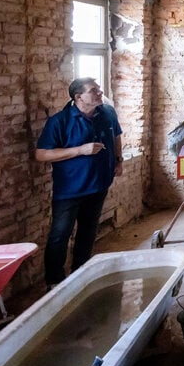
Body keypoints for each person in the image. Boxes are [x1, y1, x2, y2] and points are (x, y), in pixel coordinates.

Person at [35, 77, 123, 287]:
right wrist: (79, 150)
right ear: (78, 97)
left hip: (99, 184)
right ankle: (54, 282)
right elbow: (41, 154)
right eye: (94, 90)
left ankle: (81, 273)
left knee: (88, 230)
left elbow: (116, 135)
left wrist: (119, 160)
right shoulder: (60, 121)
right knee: (60, 234)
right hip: (70, 190)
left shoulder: (108, 113)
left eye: (99, 89)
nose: (100, 93)